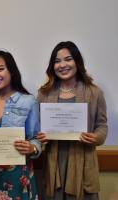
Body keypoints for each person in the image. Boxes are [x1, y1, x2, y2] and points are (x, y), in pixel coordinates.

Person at [36, 41, 108, 200]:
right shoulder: (44, 94)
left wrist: (97, 137)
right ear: (52, 66)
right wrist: (39, 137)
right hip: (55, 163)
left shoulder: (94, 93)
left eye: (68, 59)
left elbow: (102, 125)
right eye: (57, 61)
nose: (62, 65)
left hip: (83, 162)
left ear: (77, 61)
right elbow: (37, 129)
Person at [0, 50, 41, 200]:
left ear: (11, 71)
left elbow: (36, 138)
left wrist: (33, 147)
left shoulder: (28, 101)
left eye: (0, 69)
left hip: (17, 176)